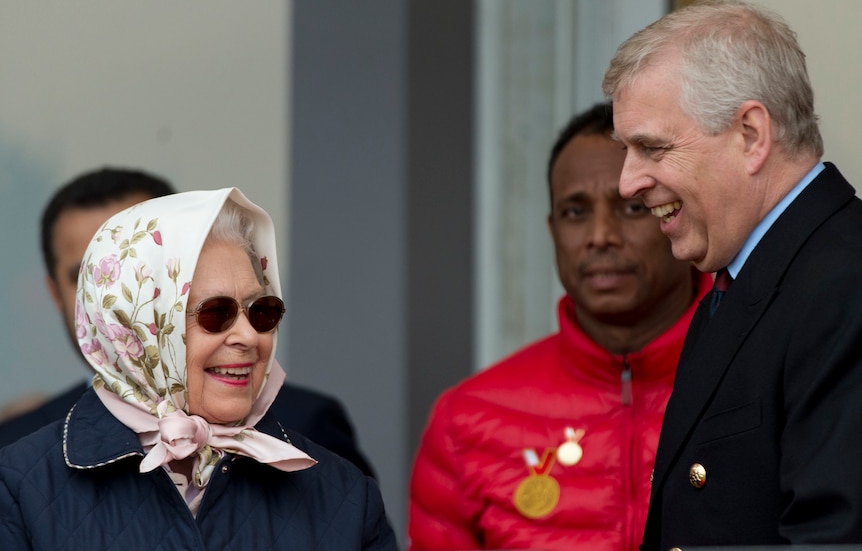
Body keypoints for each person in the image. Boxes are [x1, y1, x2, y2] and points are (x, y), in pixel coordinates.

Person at [0, 188, 397, 549]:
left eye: (262, 310)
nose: (249, 336)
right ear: (136, 328)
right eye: (215, 312)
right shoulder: (19, 490)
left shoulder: (345, 495)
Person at [603, 0, 862, 548]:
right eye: (626, 151)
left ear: (751, 134)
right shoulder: (748, 280)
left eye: (652, 148)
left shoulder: (844, 286)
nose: (627, 183)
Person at [408, 103, 711, 551]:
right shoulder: (466, 420)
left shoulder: (764, 387)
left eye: (631, 206)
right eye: (575, 212)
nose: (600, 235)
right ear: (552, 231)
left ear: (677, 214)